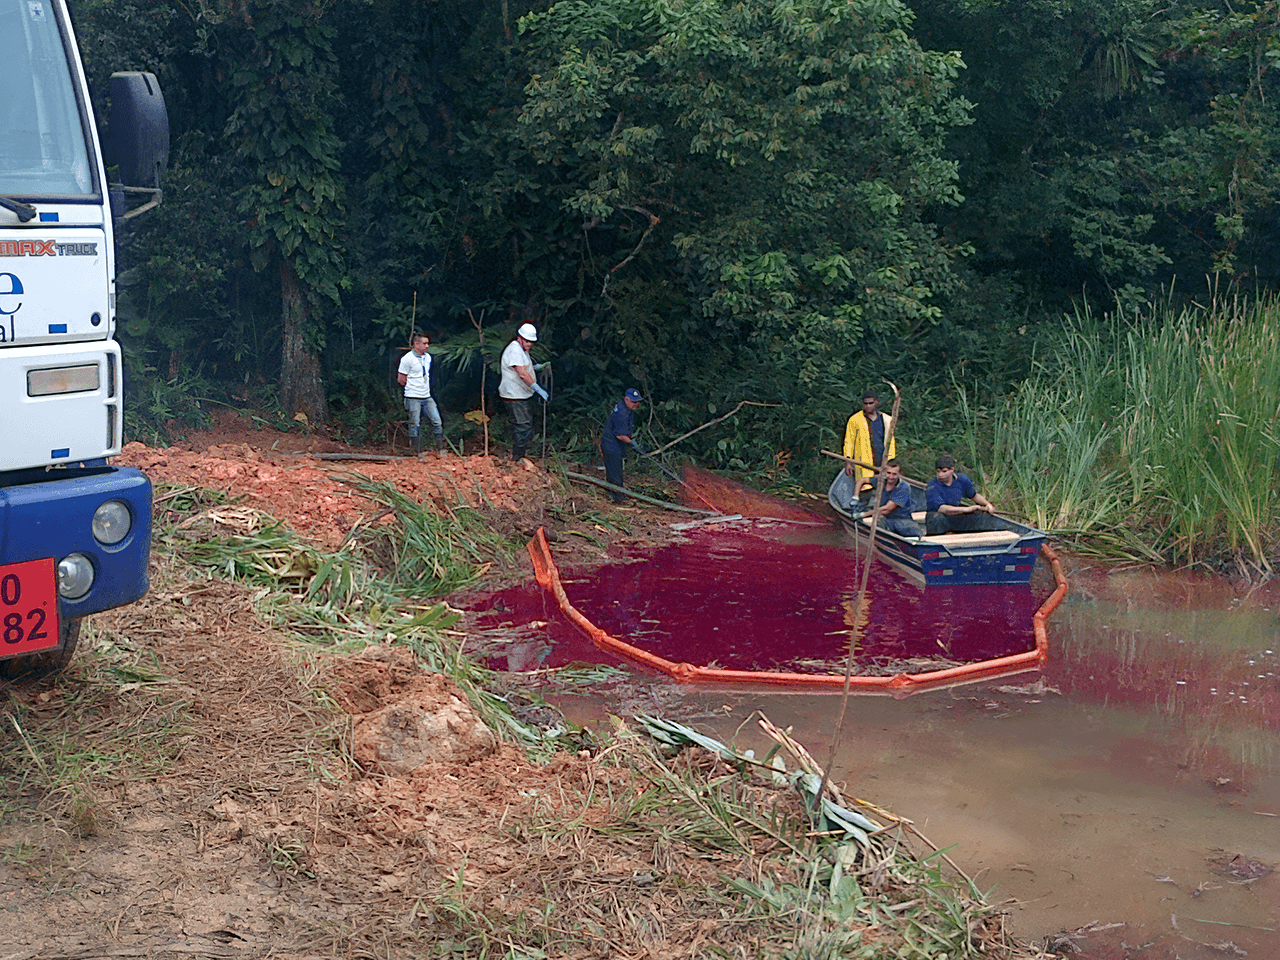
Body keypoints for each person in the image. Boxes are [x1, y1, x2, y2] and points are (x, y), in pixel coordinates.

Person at [499, 322, 549, 461]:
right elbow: (521, 373)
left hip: (521, 394)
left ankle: (519, 455)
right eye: (527, 341)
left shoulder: (522, 350)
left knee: (525, 426)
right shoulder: (514, 349)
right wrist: (537, 388)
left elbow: (527, 366)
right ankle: (517, 458)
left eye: (531, 342)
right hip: (514, 395)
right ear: (520, 337)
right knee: (523, 427)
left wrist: (539, 367)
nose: (529, 344)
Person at [924, 454, 1000, 535]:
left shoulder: (962, 480)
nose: (940, 475)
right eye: (938, 471)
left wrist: (987, 504)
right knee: (936, 518)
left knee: (978, 516)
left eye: (944, 471)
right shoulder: (932, 485)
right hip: (940, 518)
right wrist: (967, 509)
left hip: (956, 516)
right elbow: (942, 509)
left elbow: (974, 496)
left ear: (952, 470)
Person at [396, 332, 445, 456]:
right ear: (416, 344)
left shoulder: (427, 357)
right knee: (414, 423)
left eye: (428, 343)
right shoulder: (407, 358)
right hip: (413, 396)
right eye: (424, 343)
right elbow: (401, 379)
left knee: (437, 421)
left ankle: (441, 448)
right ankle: (415, 451)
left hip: (426, 396)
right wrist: (413, 387)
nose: (427, 346)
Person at [857, 459, 921, 537]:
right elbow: (862, 479)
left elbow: (886, 509)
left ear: (900, 474)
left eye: (894, 474)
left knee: (879, 519)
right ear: (885, 472)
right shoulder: (881, 481)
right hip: (887, 520)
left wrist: (864, 514)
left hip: (902, 521)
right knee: (879, 520)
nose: (890, 477)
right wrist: (855, 497)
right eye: (888, 473)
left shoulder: (903, 487)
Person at [601, 388, 643, 504]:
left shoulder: (625, 407)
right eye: (634, 402)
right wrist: (633, 444)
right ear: (626, 399)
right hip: (612, 443)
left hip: (615, 442)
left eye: (638, 401)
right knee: (615, 469)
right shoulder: (622, 414)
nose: (637, 404)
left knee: (614, 468)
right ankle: (618, 497)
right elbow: (620, 435)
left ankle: (612, 492)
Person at [843, 390, 895, 482]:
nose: (868, 406)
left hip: (883, 461)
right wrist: (848, 461)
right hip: (863, 461)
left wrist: (890, 461)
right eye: (865, 403)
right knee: (864, 487)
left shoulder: (887, 420)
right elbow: (849, 442)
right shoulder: (855, 419)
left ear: (877, 402)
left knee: (882, 487)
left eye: (871, 403)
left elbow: (891, 442)